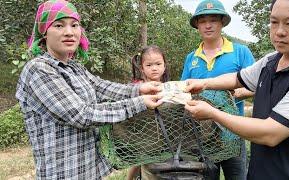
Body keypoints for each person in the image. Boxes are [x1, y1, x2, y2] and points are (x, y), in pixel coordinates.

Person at [15, 0, 163, 179]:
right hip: (64, 173)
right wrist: (139, 103)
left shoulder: (74, 67)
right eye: (59, 25)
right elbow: (81, 115)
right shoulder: (39, 69)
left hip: (89, 170)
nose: (69, 32)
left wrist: (140, 89)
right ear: (44, 33)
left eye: (74, 25)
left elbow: (102, 87)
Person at [184, 0, 289, 179]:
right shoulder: (271, 61)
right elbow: (237, 78)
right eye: (273, 22)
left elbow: (270, 133)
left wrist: (212, 113)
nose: (279, 31)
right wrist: (204, 83)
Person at [180, 0, 255, 179]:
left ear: (222, 22)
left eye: (213, 20)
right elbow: (184, 91)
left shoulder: (240, 52)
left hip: (233, 132)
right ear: (197, 25)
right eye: (202, 21)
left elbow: (257, 85)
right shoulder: (191, 58)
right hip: (202, 136)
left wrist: (236, 93)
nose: (208, 25)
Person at [127, 45, 169, 180]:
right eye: (149, 65)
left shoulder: (168, 86)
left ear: (164, 66)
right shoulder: (137, 86)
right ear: (142, 68)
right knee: (139, 159)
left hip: (163, 133)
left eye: (158, 64)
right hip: (142, 130)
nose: (154, 68)